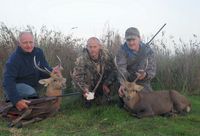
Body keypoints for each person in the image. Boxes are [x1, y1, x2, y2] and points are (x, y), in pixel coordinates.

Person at [3, 31, 61, 111]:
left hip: (34, 85)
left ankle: (54, 106)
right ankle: (13, 99)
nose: (29, 45)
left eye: (31, 42)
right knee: (30, 91)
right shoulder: (14, 59)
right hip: (16, 87)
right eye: (25, 43)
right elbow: (8, 81)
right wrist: (16, 100)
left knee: (58, 81)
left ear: (34, 42)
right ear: (19, 43)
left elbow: (44, 68)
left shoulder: (38, 52)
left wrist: (52, 71)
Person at [71, 37, 116, 108]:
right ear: (87, 47)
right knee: (89, 102)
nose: (92, 49)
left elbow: (114, 71)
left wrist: (107, 83)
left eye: (95, 47)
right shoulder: (81, 60)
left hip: (104, 84)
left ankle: (108, 96)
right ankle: (88, 97)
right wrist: (84, 89)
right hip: (90, 87)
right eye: (90, 47)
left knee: (105, 102)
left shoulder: (107, 57)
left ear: (99, 47)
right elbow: (77, 77)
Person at [116, 27, 156, 98]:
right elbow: (121, 69)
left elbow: (152, 71)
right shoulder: (122, 51)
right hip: (127, 80)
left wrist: (145, 75)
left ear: (139, 38)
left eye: (133, 39)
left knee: (148, 99)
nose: (131, 43)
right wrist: (123, 84)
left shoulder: (148, 51)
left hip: (142, 81)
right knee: (123, 98)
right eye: (128, 40)